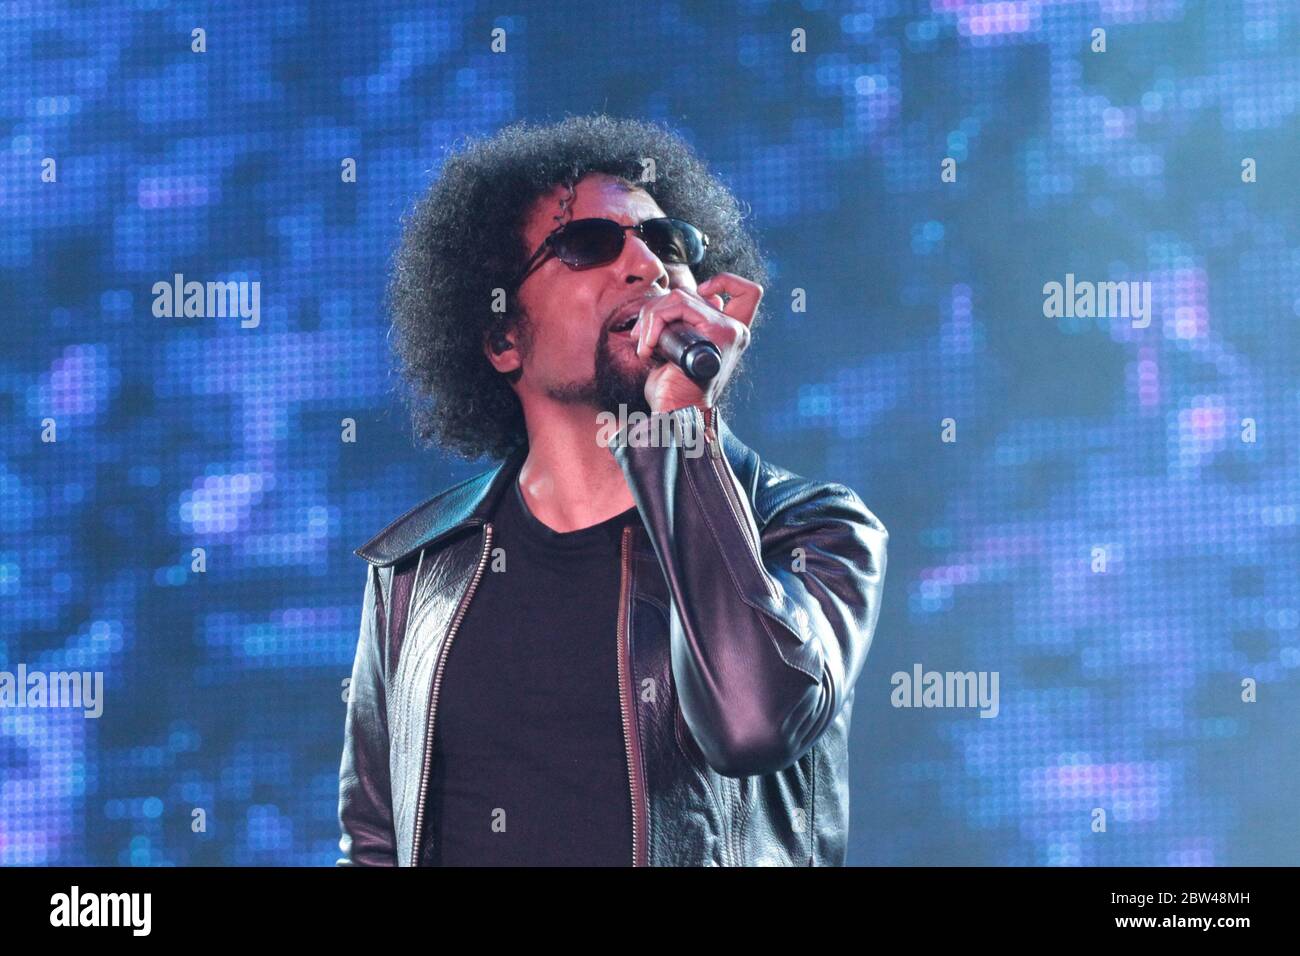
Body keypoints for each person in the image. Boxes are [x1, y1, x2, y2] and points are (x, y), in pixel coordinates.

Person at [337, 115, 888, 866]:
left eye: (669, 245)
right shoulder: (414, 571)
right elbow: (375, 843)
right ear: (503, 338)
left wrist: (681, 424)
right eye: (589, 245)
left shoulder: (811, 532)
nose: (648, 267)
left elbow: (754, 722)